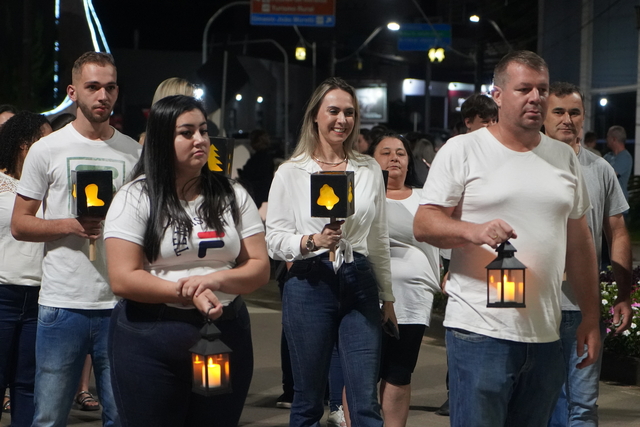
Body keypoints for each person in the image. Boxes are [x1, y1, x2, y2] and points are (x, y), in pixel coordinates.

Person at [413, 50, 602, 427]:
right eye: (524, 89)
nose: (536, 97)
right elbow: (425, 223)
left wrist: (591, 319)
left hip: (546, 333)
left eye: (542, 89)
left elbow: (579, 245)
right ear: (497, 95)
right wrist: (474, 231)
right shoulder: (464, 149)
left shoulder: (563, 158)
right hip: (480, 331)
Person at [103, 95, 269, 426]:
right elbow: (123, 277)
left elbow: (259, 268)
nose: (200, 140)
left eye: (204, 131)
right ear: (163, 140)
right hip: (149, 339)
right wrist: (186, 290)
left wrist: (215, 281)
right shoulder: (134, 197)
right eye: (187, 132)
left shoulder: (232, 193)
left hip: (224, 335)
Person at [11, 51, 141, 427]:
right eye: (94, 87)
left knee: (120, 415)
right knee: (49, 417)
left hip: (119, 304)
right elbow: (21, 224)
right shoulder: (47, 149)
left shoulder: (133, 152)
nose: (103, 95)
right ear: (73, 91)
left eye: (111, 87)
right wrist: (71, 225)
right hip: (61, 304)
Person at [265, 77, 396, 427]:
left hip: (360, 281)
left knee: (365, 402)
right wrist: (310, 242)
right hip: (309, 283)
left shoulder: (369, 169)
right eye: (334, 111)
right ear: (315, 117)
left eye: (349, 113)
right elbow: (274, 239)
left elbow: (379, 236)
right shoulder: (290, 173)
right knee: (308, 400)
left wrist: (388, 297)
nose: (342, 120)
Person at [543, 82, 632, 426]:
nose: (567, 119)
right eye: (559, 111)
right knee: (542, 401)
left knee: (582, 406)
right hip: (536, 306)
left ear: (583, 118)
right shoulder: (526, 164)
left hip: (584, 307)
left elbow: (618, 232)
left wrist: (624, 293)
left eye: (574, 112)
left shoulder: (601, 169)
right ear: (544, 117)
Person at [369, 132, 441, 427]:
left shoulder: (427, 199)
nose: (394, 157)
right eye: (385, 152)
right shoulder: (359, 198)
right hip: (366, 296)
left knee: (399, 372)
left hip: (412, 299)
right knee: (362, 373)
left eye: (400, 152)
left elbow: (443, 244)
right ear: (371, 161)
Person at [0, 112, 51, 427]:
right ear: (23, 145)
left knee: (28, 384)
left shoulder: (53, 184)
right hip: (2, 293)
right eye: (45, 138)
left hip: (41, 297)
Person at [603, 125, 632, 203]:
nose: (606, 139)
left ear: (614, 139)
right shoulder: (608, 156)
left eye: (608, 137)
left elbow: (609, 176)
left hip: (619, 205)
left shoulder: (625, 157)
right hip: (607, 203)